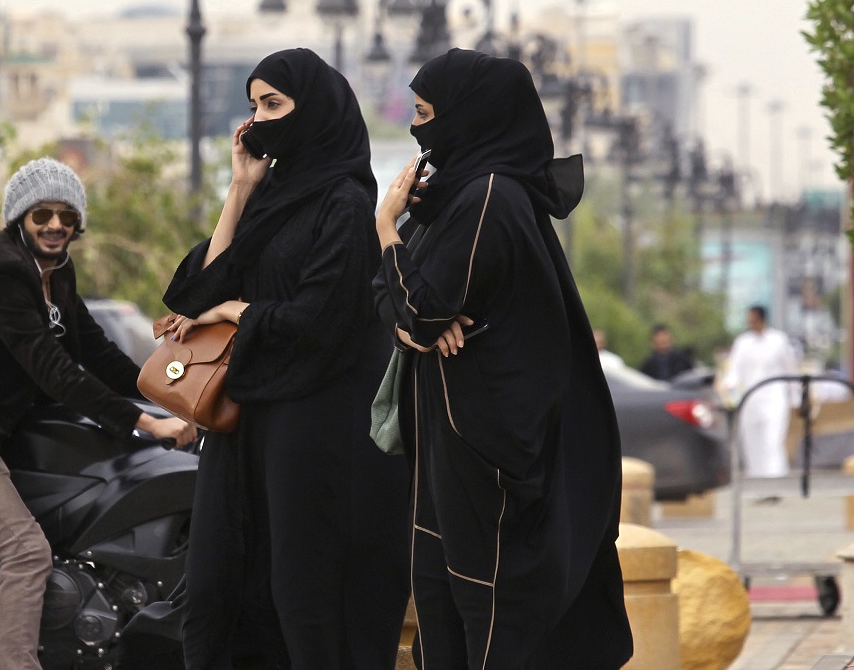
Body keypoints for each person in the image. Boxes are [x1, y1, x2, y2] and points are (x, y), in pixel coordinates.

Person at [373, 49, 633, 668]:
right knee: (444, 619)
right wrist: (413, 316)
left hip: (488, 455)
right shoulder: (452, 200)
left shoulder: (490, 196)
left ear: (470, 117)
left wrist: (384, 224)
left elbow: (416, 309)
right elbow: (391, 300)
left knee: (490, 624)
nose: (417, 131)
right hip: (451, 445)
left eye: (426, 114)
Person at [0, 157, 197, 669]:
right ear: (20, 220)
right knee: (26, 552)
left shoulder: (56, 272)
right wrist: (148, 423)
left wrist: (176, 399)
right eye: (41, 215)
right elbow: (53, 370)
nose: (55, 225)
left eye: (65, 215)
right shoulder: (5, 275)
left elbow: (95, 353)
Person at [161, 48, 411, 669]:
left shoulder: (345, 205)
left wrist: (232, 314)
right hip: (245, 420)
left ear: (315, 111)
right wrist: (240, 188)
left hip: (317, 428)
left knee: (305, 599)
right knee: (216, 592)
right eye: (252, 106)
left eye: (273, 104)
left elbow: (317, 322)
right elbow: (195, 294)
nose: (257, 123)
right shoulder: (270, 198)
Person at [723, 305, 799, 478]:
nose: (751, 323)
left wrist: (796, 399)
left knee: (772, 440)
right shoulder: (743, 342)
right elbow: (733, 372)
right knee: (752, 442)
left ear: (762, 319)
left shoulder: (778, 340)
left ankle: (774, 481)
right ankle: (758, 481)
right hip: (750, 399)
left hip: (774, 398)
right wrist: (728, 390)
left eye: (753, 319)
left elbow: (790, 372)